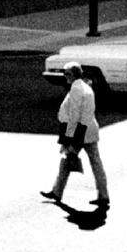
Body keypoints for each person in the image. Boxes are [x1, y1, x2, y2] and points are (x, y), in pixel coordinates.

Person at [41, 61, 109, 208]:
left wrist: (69, 137)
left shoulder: (77, 89)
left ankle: (57, 192)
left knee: (70, 159)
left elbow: (74, 115)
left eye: (67, 74)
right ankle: (103, 195)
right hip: (88, 130)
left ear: (74, 74)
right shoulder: (84, 87)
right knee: (93, 162)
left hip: (80, 133)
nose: (65, 76)